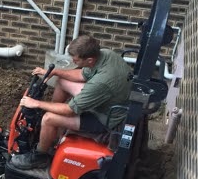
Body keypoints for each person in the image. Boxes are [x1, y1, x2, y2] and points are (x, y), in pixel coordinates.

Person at [11, 35, 132, 170]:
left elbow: (70, 109)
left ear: (89, 59)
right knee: (61, 81)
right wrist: (55, 72)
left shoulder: (101, 82)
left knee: (49, 118)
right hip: (108, 100)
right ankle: (53, 135)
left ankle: (40, 157)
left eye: (76, 59)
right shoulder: (105, 54)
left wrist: (37, 104)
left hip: (105, 120)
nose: (73, 61)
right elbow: (81, 75)